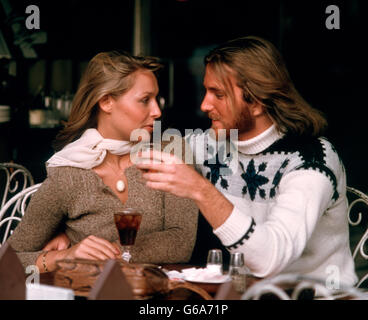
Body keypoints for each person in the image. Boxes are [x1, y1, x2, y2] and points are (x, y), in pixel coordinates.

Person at [137, 36, 358, 286]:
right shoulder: (212, 145)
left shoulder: (312, 160)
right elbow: (133, 150)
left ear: (256, 102)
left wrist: (200, 189)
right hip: (242, 293)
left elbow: (269, 259)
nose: (204, 104)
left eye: (218, 94)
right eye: (206, 90)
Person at [8, 51, 198, 272]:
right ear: (106, 102)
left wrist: (108, 253)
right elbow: (9, 260)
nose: (157, 111)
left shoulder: (171, 152)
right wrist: (65, 256)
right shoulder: (67, 173)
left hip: (160, 297)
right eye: (145, 100)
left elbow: (180, 241)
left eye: (157, 99)